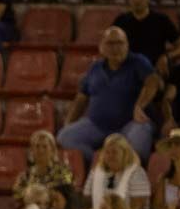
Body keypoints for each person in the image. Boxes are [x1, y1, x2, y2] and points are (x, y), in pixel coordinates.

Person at [57, 27, 158, 167]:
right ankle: (100, 163)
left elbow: (153, 82)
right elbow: (81, 100)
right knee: (64, 137)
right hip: (96, 124)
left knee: (139, 144)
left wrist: (139, 106)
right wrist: (69, 123)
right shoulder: (95, 68)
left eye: (119, 43)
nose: (115, 48)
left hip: (130, 124)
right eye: (110, 43)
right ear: (101, 47)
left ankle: (125, 172)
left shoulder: (138, 62)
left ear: (127, 45)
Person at [112, 0, 180, 72]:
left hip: (154, 71)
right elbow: (108, 46)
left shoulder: (161, 20)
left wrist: (167, 57)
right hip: (127, 73)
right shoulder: (121, 21)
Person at [81, 133, 150, 209]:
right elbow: (87, 202)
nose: (110, 156)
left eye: (114, 152)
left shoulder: (137, 173)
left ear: (125, 154)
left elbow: (138, 207)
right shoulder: (95, 173)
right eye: (107, 152)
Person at [13, 130, 73, 200]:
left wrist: (42, 192)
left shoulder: (64, 171)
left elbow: (68, 190)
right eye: (37, 146)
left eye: (45, 147)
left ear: (53, 151)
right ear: (31, 151)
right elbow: (17, 194)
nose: (41, 150)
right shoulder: (25, 175)